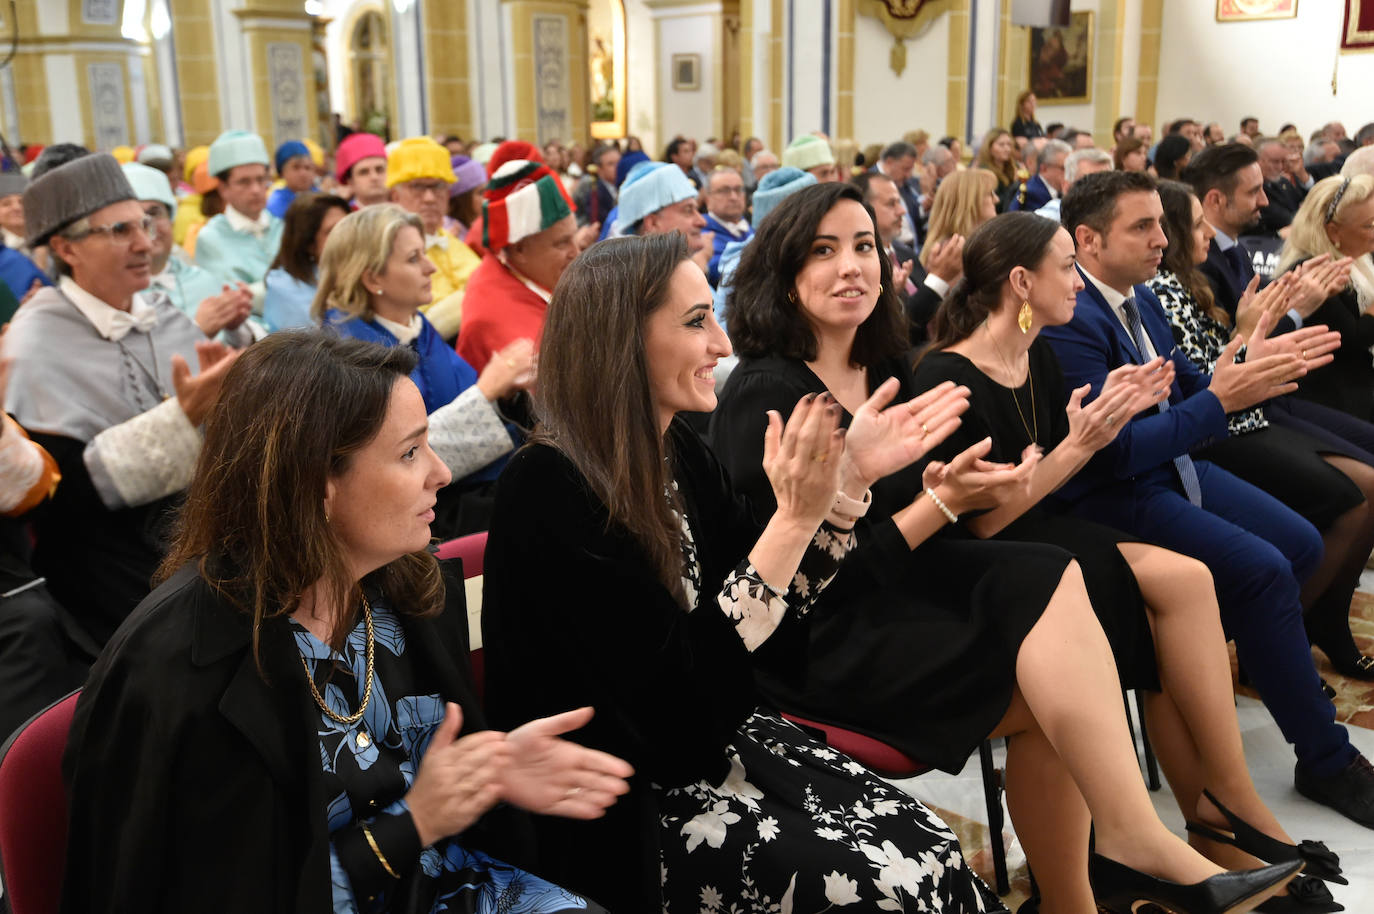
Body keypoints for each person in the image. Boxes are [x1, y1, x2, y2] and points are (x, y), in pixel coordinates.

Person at [708, 182, 1301, 914]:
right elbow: (807, 585)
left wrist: (950, 493)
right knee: (1047, 581)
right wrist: (942, 503)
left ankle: (1091, 883)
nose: (851, 266)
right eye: (824, 251)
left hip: (900, 595)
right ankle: (1133, 845)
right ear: (784, 270)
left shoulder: (886, 366)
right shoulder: (770, 394)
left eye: (864, 246)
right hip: (817, 642)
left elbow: (932, 523)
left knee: (1058, 685)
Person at [485, 231, 1023, 913]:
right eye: (694, 321)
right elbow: (669, 714)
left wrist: (844, 486)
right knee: (881, 886)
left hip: (719, 740)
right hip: (625, 800)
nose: (719, 344)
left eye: (712, 315)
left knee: (927, 845)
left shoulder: (675, 446)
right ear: (621, 340)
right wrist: (797, 519)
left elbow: (780, 612)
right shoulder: (548, 485)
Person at [61, 331, 634, 912]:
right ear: (316, 484)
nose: (440, 473)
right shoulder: (177, 668)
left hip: (439, 883)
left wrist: (488, 772)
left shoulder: (403, 585)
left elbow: (431, 806)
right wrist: (414, 823)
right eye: (410, 453)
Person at [912, 209, 1346, 909]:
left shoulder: (1037, 352)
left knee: (1189, 577)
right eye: (1063, 267)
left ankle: (1226, 807)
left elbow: (1055, 468)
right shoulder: (946, 374)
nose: (1076, 284)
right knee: (1163, 596)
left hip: (1045, 522)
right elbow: (989, 520)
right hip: (981, 558)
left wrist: (1097, 429)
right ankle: (1205, 823)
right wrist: (1085, 442)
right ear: (1021, 283)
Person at [1041, 169, 1374, 829]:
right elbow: (1115, 453)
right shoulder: (1071, 321)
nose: (1160, 239)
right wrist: (1226, 396)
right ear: (1087, 239)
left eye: (1161, 224)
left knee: (1302, 543)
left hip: (1168, 463)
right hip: (1108, 494)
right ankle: (1324, 756)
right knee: (1263, 569)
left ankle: (1233, 645)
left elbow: (1196, 386)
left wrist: (1247, 366)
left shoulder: (1142, 299)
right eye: (1142, 227)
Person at [4, 153, 238, 647]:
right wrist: (182, 420)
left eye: (146, 223)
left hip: (202, 528)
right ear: (68, 248)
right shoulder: (34, 342)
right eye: (119, 231)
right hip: (107, 563)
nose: (145, 243)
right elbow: (59, 503)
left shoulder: (162, 312)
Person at [1149, 178, 1374, 689]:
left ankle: (1313, 626)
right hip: (1228, 425)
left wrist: (1258, 330)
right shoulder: (1164, 288)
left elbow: (1221, 361)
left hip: (1249, 410)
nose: (1265, 201)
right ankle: (1279, 637)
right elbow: (1213, 378)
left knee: (1359, 489)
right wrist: (1267, 325)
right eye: (1197, 222)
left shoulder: (1194, 277)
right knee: (1353, 496)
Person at [315, 204, 532, 537]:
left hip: (463, 493)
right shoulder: (347, 354)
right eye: (414, 258)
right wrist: (485, 392)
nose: (431, 268)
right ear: (373, 278)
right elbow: (391, 459)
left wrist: (507, 392)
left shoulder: (415, 325)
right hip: (420, 517)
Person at [455, 159, 579, 373]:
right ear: (519, 249)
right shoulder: (490, 318)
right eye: (562, 243)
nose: (576, 253)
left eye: (574, 238)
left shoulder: (528, 274)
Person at [1278, 175, 1374, 422]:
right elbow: (1354, 339)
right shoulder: (1313, 270)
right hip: (1335, 398)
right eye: (1369, 225)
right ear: (1334, 231)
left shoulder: (1359, 257)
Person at [852, 170, 963, 344]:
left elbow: (929, 311)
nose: (902, 211)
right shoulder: (859, 265)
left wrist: (943, 282)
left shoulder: (903, 252)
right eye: (892, 204)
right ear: (864, 208)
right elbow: (902, 328)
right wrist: (938, 279)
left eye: (900, 202)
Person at [387, 137, 481, 341]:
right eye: (418, 187)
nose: (429, 198)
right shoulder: (386, 253)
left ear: (448, 195)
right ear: (395, 196)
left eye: (437, 187)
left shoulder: (457, 243)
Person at [194, 129, 285, 309]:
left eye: (261, 179)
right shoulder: (211, 238)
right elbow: (232, 300)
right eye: (244, 182)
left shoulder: (282, 226)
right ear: (223, 188)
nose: (256, 189)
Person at [263, 192, 351, 332]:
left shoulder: (359, 273)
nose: (348, 236)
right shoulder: (284, 288)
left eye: (348, 226)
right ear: (308, 244)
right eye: (333, 231)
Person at [618, 161, 711, 274]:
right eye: (688, 210)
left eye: (698, 210)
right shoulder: (639, 288)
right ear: (652, 223)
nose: (702, 222)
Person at [921, 169, 996, 276]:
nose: (996, 199)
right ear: (970, 201)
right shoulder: (951, 252)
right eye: (990, 194)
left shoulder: (971, 244)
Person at [702, 166, 752, 286]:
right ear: (708, 199)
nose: (733, 197)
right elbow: (719, 271)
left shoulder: (750, 229)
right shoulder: (702, 232)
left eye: (738, 189)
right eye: (724, 191)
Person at [1011, 138, 1071, 212]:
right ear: (1044, 168)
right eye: (1064, 168)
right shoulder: (1031, 193)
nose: (1069, 173)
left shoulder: (1061, 190)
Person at [335, 132, 389, 209]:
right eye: (364, 172)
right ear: (350, 182)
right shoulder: (343, 218)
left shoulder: (405, 212)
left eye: (379, 170)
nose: (374, 177)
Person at [267, 140, 319, 219]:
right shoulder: (276, 203)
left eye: (307, 167)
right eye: (296, 167)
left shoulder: (321, 198)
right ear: (282, 173)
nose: (303, 173)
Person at [975, 128, 1018, 212]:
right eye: (1001, 145)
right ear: (989, 148)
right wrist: (1015, 185)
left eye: (1009, 144)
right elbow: (995, 205)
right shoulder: (984, 172)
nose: (1007, 149)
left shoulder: (1013, 168)